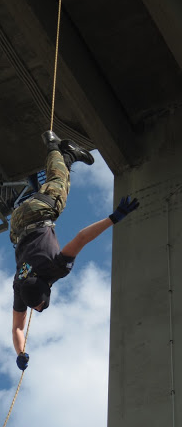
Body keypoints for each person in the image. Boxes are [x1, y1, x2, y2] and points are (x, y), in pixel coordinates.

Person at [11, 130, 139, 370]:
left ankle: (56, 148)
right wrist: (20, 352)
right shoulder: (19, 286)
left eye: (39, 307)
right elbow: (18, 327)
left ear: (47, 290)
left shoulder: (54, 270)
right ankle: (53, 171)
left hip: (40, 212)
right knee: (47, 191)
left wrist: (114, 218)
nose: (37, 309)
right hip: (17, 224)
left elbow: (81, 238)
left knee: (58, 182)